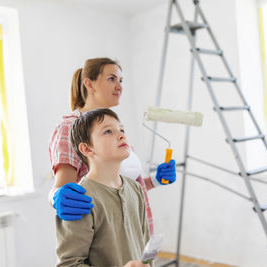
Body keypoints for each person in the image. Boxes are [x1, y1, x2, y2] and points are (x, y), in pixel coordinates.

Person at [49, 57, 176, 234]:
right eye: (112, 79)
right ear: (89, 84)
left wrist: (155, 180)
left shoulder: (115, 127)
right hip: (109, 238)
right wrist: (56, 197)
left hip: (138, 232)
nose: (119, 86)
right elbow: (62, 190)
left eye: (121, 80)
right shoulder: (69, 128)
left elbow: (121, 188)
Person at [56, 108, 150, 267]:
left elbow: (146, 248)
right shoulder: (79, 199)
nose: (121, 135)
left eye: (121, 129)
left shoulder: (135, 189)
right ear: (86, 148)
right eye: (108, 131)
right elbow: (69, 264)